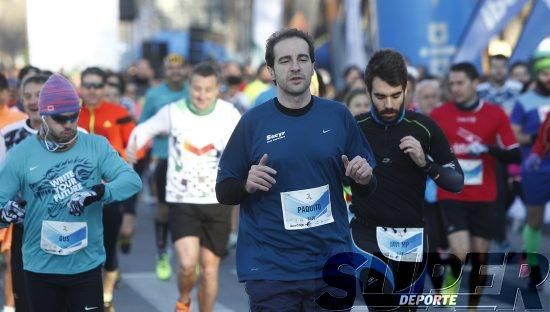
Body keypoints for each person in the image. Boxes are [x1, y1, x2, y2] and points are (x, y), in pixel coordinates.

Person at [216, 28, 376, 310]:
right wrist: (245, 184)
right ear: (271, 70)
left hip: (331, 263)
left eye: (302, 59)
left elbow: (368, 186)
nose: (295, 66)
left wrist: (363, 177)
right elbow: (224, 191)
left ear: (313, 66)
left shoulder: (338, 116)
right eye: (285, 60)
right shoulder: (253, 123)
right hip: (271, 268)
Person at [0, 74, 142, 312]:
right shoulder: (21, 154)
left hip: (85, 266)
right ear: (44, 116)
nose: (68, 125)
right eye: (60, 119)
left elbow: (131, 180)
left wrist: (98, 192)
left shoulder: (95, 145)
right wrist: (6, 213)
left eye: (73, 117)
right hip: (40, 267)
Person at [350, 50, 463, 309]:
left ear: (406, 89)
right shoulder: (353, 127)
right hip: (367, 235)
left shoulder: (424, 127)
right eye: (380, 96)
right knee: (381, 305)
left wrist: (426, 164)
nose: (388, 104)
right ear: (368, 91)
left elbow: (456, 182)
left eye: (395, 95)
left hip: (412, 235)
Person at [126, 62, 241, 312]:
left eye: (208, 90)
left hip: (217, 200)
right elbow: (143, 129)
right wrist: (133, 147)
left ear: (217, 90)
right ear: (190, 87)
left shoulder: (229, 113)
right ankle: (184, 299)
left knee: (210, 270)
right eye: (197, 88)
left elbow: (247, 144)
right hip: (183, 198)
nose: (201, 95)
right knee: (188, 265)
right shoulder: (173, 111)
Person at [430, 62, 521, 307]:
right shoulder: (439, 114)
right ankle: (448, 302)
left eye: (460, 83)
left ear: (475, 83)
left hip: (485, 195)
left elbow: (515, 154)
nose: (455, 88)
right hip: (452, 194)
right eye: (452, 84)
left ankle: (472, 306)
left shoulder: (496, 113)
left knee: (479, 257)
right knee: (459, 253)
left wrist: (488, 149)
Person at [77, 66, 137, 311]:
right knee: (78, 250)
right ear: (80, 87)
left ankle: (107, 298)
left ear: (104, 88)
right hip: (77, 195)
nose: (92, 91)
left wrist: (123, 158)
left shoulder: (118, 112)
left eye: (97, 86)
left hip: (109, 192)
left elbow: (136, 145)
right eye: (87, 85)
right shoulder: (71, 114)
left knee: (108, 249)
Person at [138, 54, 188, 281]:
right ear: (164, 71)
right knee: (164, 208)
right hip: (163, 158)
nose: (175, 72)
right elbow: (143, 126)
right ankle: (161, 253)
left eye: (179, 68)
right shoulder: (154, 94)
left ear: (186, 70)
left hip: (191, 159)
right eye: (170, 69)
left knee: (189, 209)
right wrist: (161, 128)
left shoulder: (193, 90)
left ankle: (188, 256)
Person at [510, 47, 550, 288]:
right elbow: (515, 135)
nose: (548, 77)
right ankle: (532, 264)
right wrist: (538, 136)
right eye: (544, 73)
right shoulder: (524, 101)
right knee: (534, 219)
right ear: (536, 74)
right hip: (535, 168)